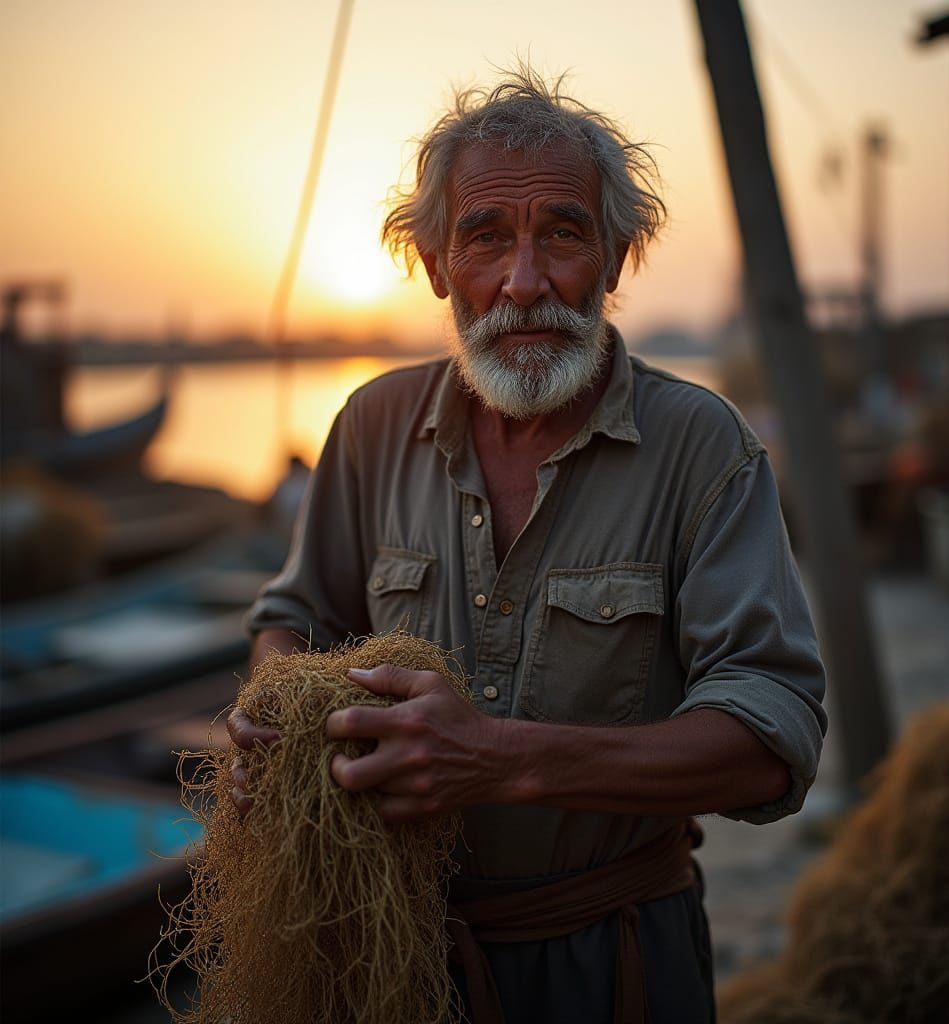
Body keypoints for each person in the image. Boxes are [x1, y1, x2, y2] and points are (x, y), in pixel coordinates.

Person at [231, 67, 827, 1024]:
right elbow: (295, 617)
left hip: (615, 964)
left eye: (562, 233)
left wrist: (505, 759)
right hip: (386, 963)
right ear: (437, 267)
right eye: (485, 238)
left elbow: (771, 737)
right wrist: (271, 712)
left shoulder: (703, 447)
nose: (524, 282)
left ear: (616, 259)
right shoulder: (372, 426)